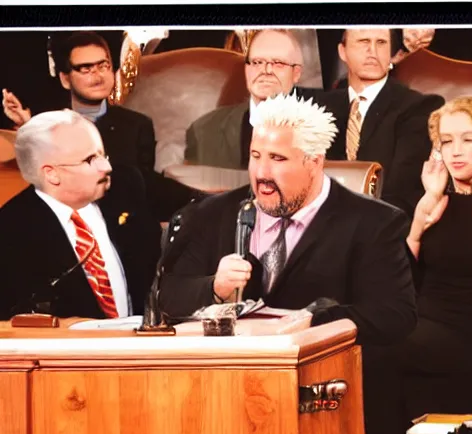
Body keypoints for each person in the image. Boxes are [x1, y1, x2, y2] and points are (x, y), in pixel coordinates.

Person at [160, 93, 418, 434]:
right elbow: (165, 298)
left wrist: (315, 321)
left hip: (335, 405)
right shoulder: (212, 215)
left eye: (278, 159)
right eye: (255, 156)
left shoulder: (374, 223)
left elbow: (395, 315)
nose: (262, 173)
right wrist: (213, 288)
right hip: (226, 405)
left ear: (314, 161)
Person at [394, 96, 472, 422]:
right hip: (423, 323)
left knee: (381, 347)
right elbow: (402, 282)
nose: (455, 150)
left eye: (468, 139)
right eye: (446, 141)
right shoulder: (438, 198)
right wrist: (421, 216)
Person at [2, 31, 188, 221]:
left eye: (103, 65)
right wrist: (30, 127)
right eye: (85, 68)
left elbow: (142, 188)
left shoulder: (138, 125)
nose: (97, 75)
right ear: (65, 79)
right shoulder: (53, 122)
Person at [0, 109, 161, 320]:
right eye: (90, 160)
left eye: (103, 154)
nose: (106, 167)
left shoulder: (126, 188)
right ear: (52, 174)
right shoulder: (11, 231)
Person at [313, 28, 444, 218]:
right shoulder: (318, 107)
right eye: (363, 42)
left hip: (380, 226)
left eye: (381, 43)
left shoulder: (418, 107)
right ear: (343, 51)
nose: (372, 51)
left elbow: (403, 191)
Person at [184, 29, 304, 170]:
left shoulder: (325, 130)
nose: (266, 70)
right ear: (246, 69)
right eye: (257, 62)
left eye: (278, 63)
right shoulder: (203, 132)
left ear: (296, 73)